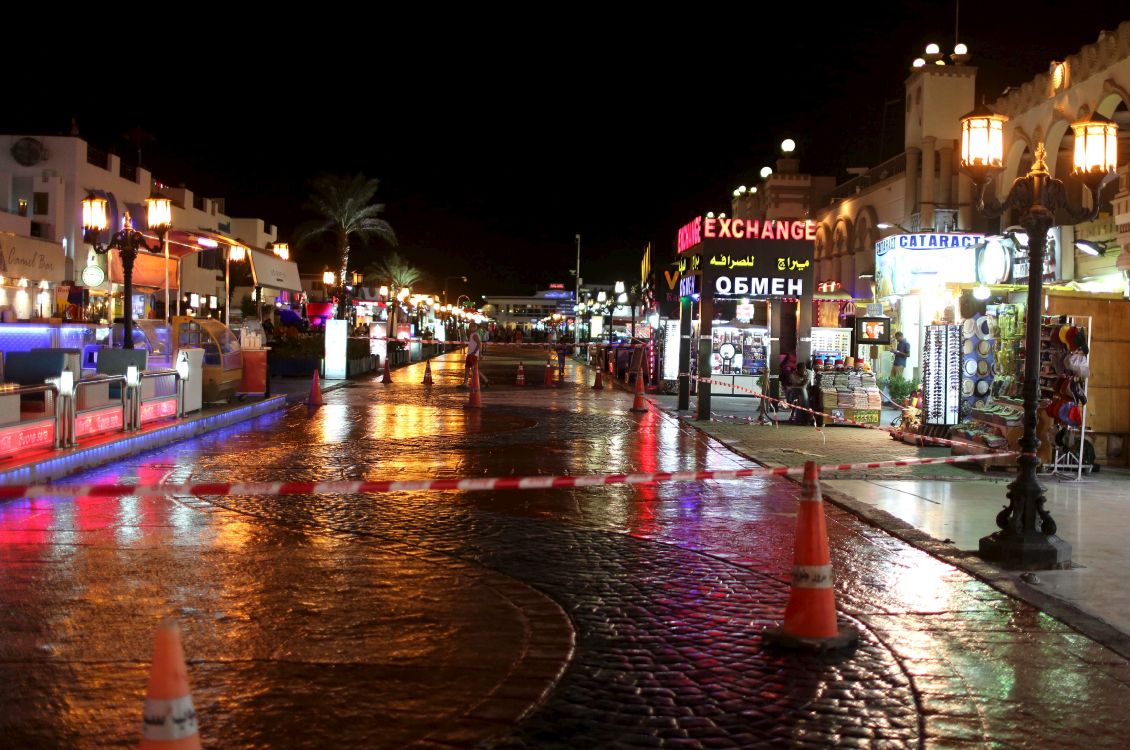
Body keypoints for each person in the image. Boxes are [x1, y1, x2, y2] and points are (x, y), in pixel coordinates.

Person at [459, 322, 490, 388]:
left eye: (473, 326)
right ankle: (465, 383)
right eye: (470, 326)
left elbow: (479, 344)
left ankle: (486, 380)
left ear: (476, 327)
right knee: (467, 368)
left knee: (474, 369)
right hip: (470, 354)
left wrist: (475, 352)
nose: (471, 328)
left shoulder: (475, 335)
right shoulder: (472, 334)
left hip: (472, 355)